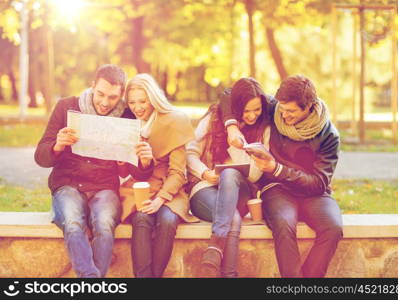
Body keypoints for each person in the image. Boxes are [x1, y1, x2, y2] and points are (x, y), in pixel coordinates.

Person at [34, 64, 154, 278]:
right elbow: (40, 157)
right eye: (101, 94)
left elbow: (136, 172)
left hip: (104, 188)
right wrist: (58, 145)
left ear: (121, 96)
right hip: (68, 185)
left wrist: (144, 162)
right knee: (72, 223)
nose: (105, 102)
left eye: (113, 97)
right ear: (92, 86)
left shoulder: (127, 117)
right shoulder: (66, 107)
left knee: (104, 224)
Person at [220, 75, 343, 277]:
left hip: (314, 193)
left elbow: (319, 182)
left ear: (309, 106)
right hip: (277, 189)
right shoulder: (274, 108)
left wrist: (277, 168)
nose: (284, 115)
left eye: (291, 111)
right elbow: (229, 94)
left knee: (333, 228)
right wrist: (231, 126)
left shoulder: (329, 135)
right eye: (282, 109)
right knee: (284, 224)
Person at [186, 77, 270, 277]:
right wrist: (205, 173)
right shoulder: (213, 119)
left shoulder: (264, 128)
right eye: (246, 110)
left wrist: (236, 144)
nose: (251, 116)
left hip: (240, 191)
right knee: (232, 219)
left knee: (230, 173)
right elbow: (189, 153)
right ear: (235, 108)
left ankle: (215, 246)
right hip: (205, 190)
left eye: (256, 110)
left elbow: (256, 173)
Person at [119, 73, 198, 278]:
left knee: (168, 220)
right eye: (132, 102)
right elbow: (125, 170)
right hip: (141, 186)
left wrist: (161, 199)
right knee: (142, 219)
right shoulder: (129, 126)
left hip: (170, 188)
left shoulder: (174, 121)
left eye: (143, 101)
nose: (137, 107)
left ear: (153, 98)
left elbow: (178, 172)